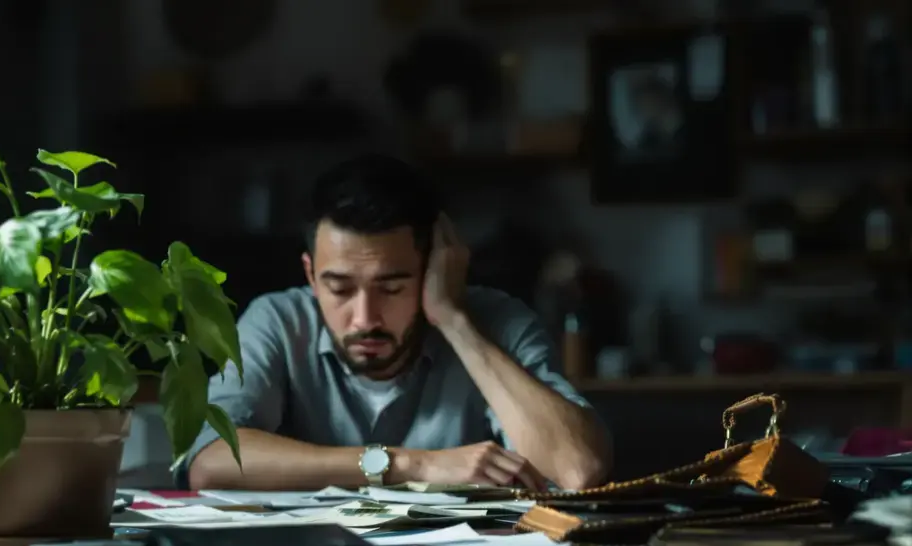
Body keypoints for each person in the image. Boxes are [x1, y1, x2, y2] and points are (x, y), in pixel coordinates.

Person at [175, 155, 611, 492]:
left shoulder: (497, 321)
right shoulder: (277, 322)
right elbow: (209, 461)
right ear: (310, 275)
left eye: (392, 286)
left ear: (432, 269)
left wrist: (455, 320)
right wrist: (412, 464)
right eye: (340, 288)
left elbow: (577, 468)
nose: (364, 318)